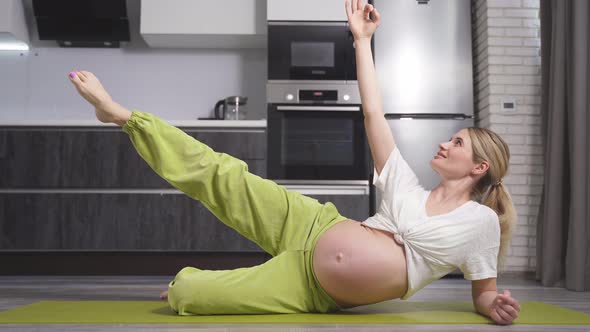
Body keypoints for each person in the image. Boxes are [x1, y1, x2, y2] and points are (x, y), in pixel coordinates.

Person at [67, 0, 521, 325]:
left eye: (457, 143)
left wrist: (492, 307)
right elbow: (373, 113)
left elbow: (483, 292)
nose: (445, 144)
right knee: (221, 173)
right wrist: (361, 41)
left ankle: (200, 286)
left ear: (479, 167)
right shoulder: (406, 186)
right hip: (312, 224)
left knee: (186, 294)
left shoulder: (480, 222)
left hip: (311, 288)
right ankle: (124, 117)